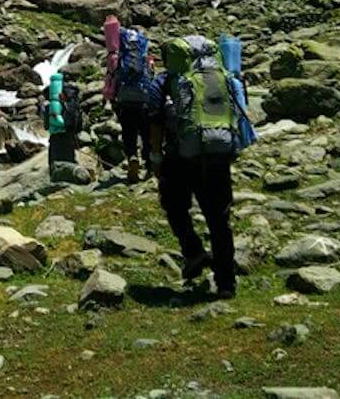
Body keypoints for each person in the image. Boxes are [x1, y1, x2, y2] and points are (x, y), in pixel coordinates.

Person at [147, 35, 245, 300]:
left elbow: (154, 118)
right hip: (218, 155)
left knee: (174, 206)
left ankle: (193, 251)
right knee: (219, 219)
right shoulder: (221, 76)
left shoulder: (166, 80)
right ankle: (226, 283)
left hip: (180, 157)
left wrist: (155, 156)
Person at [103, 19, 155, 183]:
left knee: (128, 132)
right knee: (146, 134)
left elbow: (111, 78)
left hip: (125, 100)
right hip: (144, 99)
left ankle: (132, 156)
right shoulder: (145, 56)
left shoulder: (117, 58)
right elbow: (152, 76)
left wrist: (110, 99)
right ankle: (149, 165)